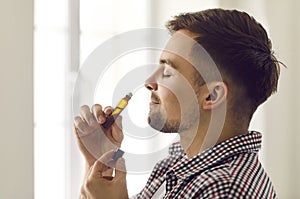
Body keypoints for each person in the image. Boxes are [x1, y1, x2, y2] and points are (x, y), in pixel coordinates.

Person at [74, 8, 281, 198]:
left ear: (211, 95)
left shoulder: (226, 190)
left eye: (168, 71)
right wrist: (98, 161)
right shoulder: (175, 165)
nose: (149, 82)